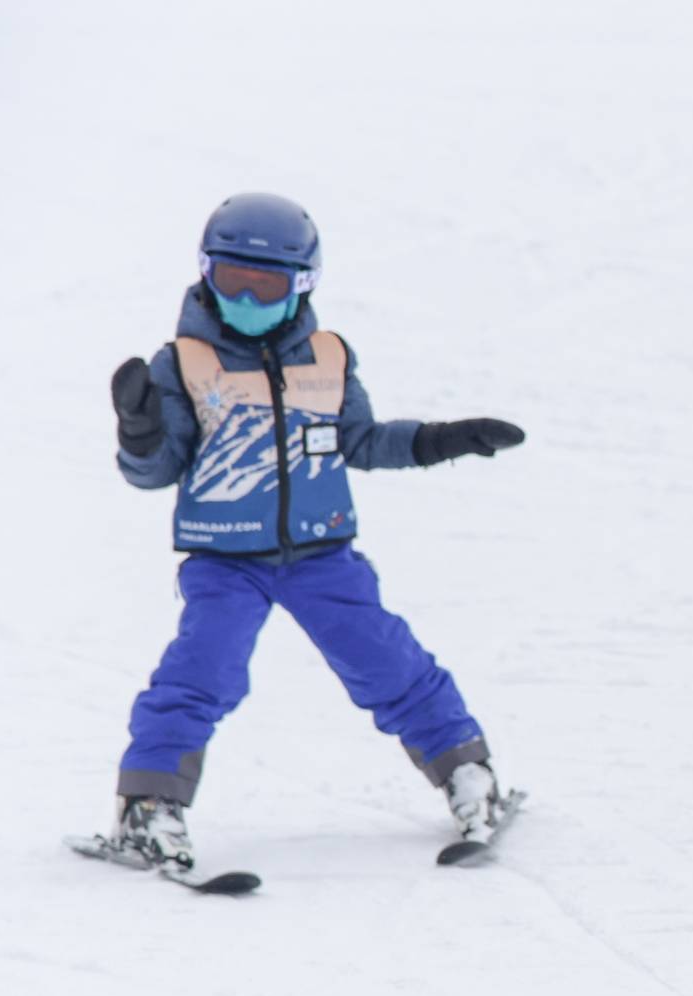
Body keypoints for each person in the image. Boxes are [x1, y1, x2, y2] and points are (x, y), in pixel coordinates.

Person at [98, 192, 525, 874]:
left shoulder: (328, 356)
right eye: (229, 278)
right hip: (225, 557)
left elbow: (362, 440)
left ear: (303, 286)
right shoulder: (178, 364)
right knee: (201, 671)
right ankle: (148, 805)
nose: (246, 295)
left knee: (389, 661)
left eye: (265, 285)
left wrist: (442, 440)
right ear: (204, 274)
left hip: (322, 554)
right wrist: (141, 431)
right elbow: (155, 472)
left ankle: (465, 770)